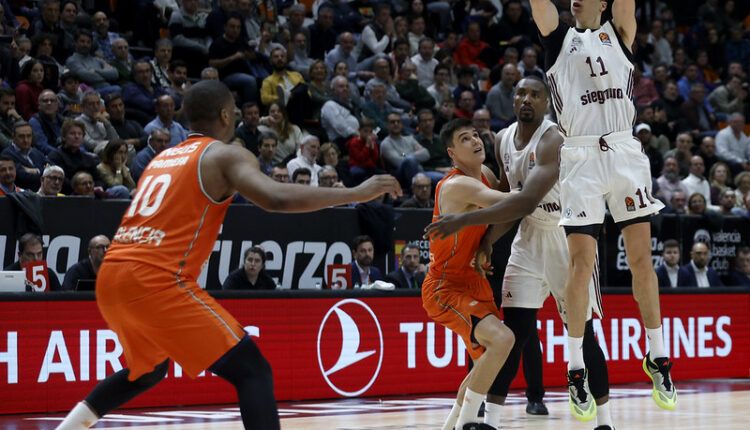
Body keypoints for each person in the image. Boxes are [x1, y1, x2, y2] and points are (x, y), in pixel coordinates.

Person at [55, 80, 400, 430]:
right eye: (234, 111)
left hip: (113, 274)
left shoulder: (163, 159)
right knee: (252, 370)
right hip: (155, 278)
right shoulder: (225, 153)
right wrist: (354, 192)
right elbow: (275, 198)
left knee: (147, 370)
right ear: (225, 114)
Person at [424, 78, 611, 428]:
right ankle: (487, 422)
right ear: (512, 101)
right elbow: (511, 201)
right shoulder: (502, 140)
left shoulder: (552, 138)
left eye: (535, 95)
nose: (527, 99)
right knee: (513, 333)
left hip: (564, 236)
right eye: (521, 93)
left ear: (546, 103)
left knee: (582, 335)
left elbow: (523, 201)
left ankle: (605, 420)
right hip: (525, 241)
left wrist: (473, 229)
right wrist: (487, 240)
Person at [529, 0, 675, 415]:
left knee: (642, 260)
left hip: (624, 151)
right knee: (581, 265)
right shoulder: (559, 39)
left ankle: (658, 355)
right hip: (579, 158)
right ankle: (576, 366)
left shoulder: (620, 30)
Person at [420, 118, 515, 430]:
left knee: (484, 363)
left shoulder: (484, 174)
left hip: (472, 279)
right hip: (444, 286)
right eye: (465, 139)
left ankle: (452, 427)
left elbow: (506, 189)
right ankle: (467, 425)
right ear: (452, 152)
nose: (475, 141)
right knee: (502, 340)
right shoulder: (457, 185)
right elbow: (512, 203)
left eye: (476, 135)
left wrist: (484, 244)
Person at [1, 120, 48, 191]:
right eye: (21, 136)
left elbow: (51, 169)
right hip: (22, 196)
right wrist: (43, 171)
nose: (26, 140)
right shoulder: (7, 154)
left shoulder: (36, 152)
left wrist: (36, 171)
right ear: (13, 137)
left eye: (28, 136)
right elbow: (23, 177)